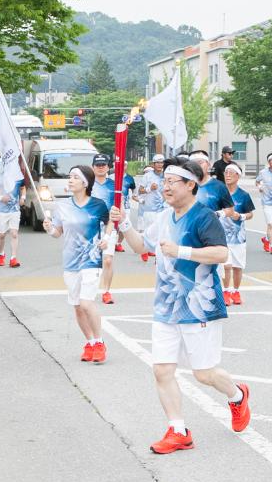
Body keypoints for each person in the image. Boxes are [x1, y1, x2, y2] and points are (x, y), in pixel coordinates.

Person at [110, 159, 251, 454]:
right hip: (166, 305)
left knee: (204, 374)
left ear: (191, 185)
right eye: (165, 182)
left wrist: (182, 251)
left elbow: (222, 254)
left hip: (199, 306)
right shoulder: (162, 218)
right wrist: (123, 224)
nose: (166, 187)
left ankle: (237, 396)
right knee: (162, 370)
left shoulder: (204, 217)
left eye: (173, 182)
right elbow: (142, 248)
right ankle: (178, 430)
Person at [44, 165, 111, 364]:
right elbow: (58, 233)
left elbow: (110, 223)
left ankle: (99, 342)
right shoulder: (61, 206)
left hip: (91, 259)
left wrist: (107, 238)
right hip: (70, 261)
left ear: (85, 183)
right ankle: (89, 343)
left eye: (75, 177)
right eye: (70, 176)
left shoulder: (98, 205)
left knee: (86, 302)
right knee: (77, 307)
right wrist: (49, 229)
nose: (70, 180)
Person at [219, 162, 256, 305]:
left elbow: (250, 214)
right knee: (226, 265)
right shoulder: (219, 193)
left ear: (237, 176)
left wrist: (240, 216)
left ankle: (235, 291)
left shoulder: (243, 195)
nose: (227, 175)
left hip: (238, 237)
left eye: (230, 172)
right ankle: (226, 291)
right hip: (221, 236)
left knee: (237, 266)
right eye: (226, 172)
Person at [90, 153, 118, 304]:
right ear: (93, 167)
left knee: (107, 260)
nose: (101, 168)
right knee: (91, 262)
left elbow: (115, 210)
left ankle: (106, 291)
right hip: (90, 228)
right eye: (97, 165)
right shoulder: (87, 185)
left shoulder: (114, 186)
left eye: (103, 165)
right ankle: (89, 289)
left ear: (108, 167)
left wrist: (109, 233)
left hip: (109, 225)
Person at [0, 165, 26, 268]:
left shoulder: (18, 177)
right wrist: (1, 198)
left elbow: (23, 188)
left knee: (14, 234)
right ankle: (1, 254)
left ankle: (13, 258)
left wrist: (23, 198)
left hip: (15, 210)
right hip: (2, 211)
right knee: (2, 235)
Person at [136, 154, 166, 260]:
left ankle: (158, 255)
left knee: (161, 232)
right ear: (153, 164)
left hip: (163, 208)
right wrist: (150, 189)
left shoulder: (166, 175)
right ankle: (144, 251)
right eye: (157, 162)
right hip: (149, 209)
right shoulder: (147, 176)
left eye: (161, 162)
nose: (159, 164)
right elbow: (140, 190)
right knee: (147, 232)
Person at [255, 153, 272, 255]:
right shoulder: (263, 172)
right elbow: (257, 182)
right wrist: (260, 187)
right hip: (267, 202)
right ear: (268, 162)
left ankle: (266, 239)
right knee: (270, 224)